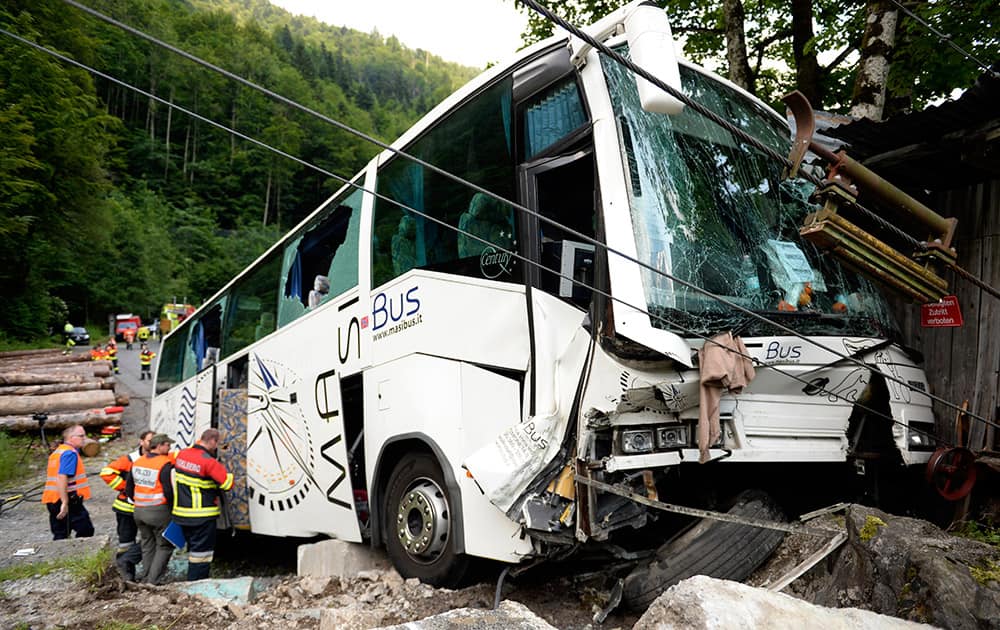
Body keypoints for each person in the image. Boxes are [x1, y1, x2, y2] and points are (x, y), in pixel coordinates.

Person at [171, 428, 233, 581]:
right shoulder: (209, 462)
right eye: (217, 443)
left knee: (192, 551)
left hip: (181, 514)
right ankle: (196, 584)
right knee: (202, 555)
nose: (217, 447)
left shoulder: (181, 454)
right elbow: (226, 484)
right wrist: (230, 473)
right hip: (202, 516)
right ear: (212, 441)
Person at [99, 430, 154, 581]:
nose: (152, 444)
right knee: (126, 542)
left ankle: (134, 570)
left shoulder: (157, 458)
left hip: (145, 508)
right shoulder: (130, 459)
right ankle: (125, 574)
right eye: (149, 441)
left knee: (149, 540)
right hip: (126, 508)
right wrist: (124, 487)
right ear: (142, 441)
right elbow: (106, 472)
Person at [130, 434, 176, 585]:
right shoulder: (164, 463)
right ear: (160, 446)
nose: (169, 448)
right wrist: (172, 509)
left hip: (139, 511)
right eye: (168, 445)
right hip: (158, 510)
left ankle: (146, 577)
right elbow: (168, 490)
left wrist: (138, 501)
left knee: (147, 544)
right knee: (164, 545)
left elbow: (129, 487)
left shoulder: (138, 462)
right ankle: (153, 581)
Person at [41, 425, 95, 540]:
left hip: (53, 498)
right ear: (71, 438)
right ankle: (79, 554)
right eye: (81, 436)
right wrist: (65, 502)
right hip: (67, 499)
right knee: (85, 529)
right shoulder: (69, 453)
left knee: (61, 533)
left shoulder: (58, 452)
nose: (84, 438)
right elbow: (62, 477)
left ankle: (61, 556)